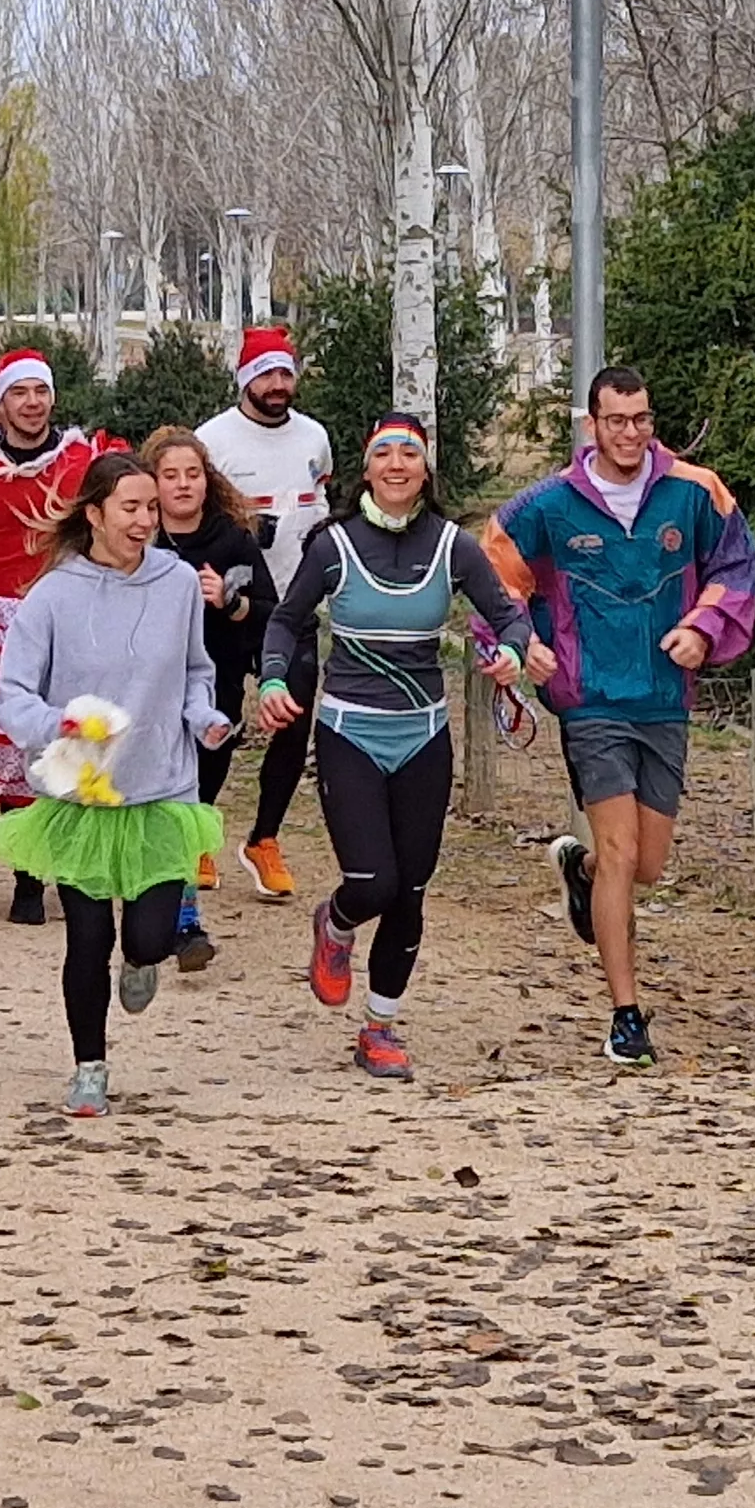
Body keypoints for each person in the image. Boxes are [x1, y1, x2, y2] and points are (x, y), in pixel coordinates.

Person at [485, 364, 755, 1070]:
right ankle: (626, 1014)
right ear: (592, 424)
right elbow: (493, 577)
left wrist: (703, 627)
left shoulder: (696, 493)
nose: (631, 432)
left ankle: (580, 877)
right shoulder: (548, 505)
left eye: (641, 418)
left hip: (665, 698)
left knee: (647, 866)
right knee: (620, 854)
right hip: (591, 702)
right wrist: (525, 645)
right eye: (616, 420)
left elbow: (739, 564)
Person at [253, 412, 543, 1078]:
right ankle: (336, 921)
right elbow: (286, 620)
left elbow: (506, 617)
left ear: (424, 469)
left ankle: (379, 1027)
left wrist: (511, 655)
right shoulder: (333, 546)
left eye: (408, 454)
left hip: (424, 737)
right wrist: (272, 680)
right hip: (350, 731)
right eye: (383, 452)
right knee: (373, 882)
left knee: (410, 890)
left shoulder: (453, 547)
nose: (396, 464)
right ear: (366, 467)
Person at [0, 451, 230, 1119]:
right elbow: (10, 695)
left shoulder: (177, 582)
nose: (146, 519)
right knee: (86, 938)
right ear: (93, 513)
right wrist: (57, 725)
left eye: (152, 508)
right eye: (132, 507)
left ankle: (142, 959)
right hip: (80, 790)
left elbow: (195, 671)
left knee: (150, 937)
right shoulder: (54, 595)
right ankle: (89, 1066)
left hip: (161, 784)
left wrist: (204, 717)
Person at [0, 350, 124, 921]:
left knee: (69, 739)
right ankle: (27, 876)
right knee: (14, 745)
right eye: (20, 393)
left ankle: (68, 861)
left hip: (69, 616)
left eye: (41, 391)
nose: (32, 403)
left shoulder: (86, 462)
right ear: (0, 403)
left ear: (53, 398)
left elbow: (121, 522)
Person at [195, 324, 333, 899]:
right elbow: (194, 516)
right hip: (229, 608)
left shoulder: (314, 437)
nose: (278, 385)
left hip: (293, 605)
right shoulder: (213, 440)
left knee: (294, 720)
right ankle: (196, 835)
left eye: (285, 374)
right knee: (217, 722)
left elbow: (322, 494)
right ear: (245, 379)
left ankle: (264, 838)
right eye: (266, 375)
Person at [139, 423, 265, 964]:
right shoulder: (135, 536)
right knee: (171, 806)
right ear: (152, 483)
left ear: (207, 480)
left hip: (215, 693)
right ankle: (183, 921)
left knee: (196, 802)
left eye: (193, 474)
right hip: (146, 695)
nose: (183, 485)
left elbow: (269, 614)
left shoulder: (233, 539)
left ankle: (166, 908)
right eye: (170, 476)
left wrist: (229, 602)